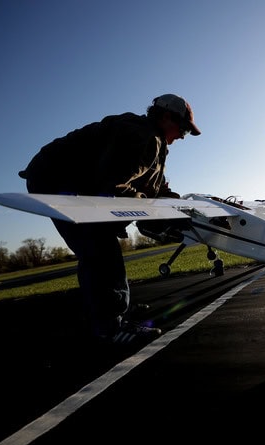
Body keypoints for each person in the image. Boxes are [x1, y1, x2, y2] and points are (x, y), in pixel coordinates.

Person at [19, 94, 201, 345]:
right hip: (56, 179)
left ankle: (114, 309)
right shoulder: (141, 136)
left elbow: (153, 188)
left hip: (83, 182)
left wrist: (179, 206)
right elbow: (108, 184)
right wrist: (151, 208)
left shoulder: (156, 142)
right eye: (182, 128)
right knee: (98, 248)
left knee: (101, 241)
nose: (183, 135)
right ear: (166, 117)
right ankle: (109, 326)